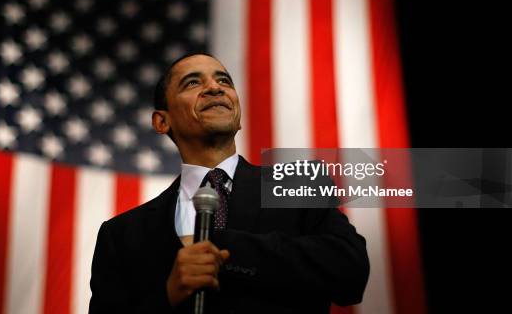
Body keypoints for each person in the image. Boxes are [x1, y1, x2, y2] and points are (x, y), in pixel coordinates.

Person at [89, 53, 369, 313]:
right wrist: (167, 296)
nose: (215, 88)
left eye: (223, 80)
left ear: (237, 112)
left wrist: (224, 247)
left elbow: (351, 272)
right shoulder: (121, 235)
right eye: (192, 82)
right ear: (162, 121)